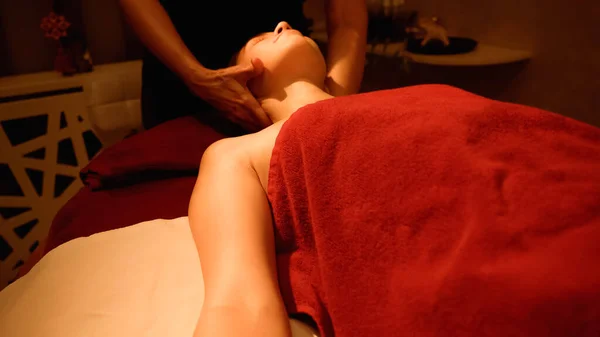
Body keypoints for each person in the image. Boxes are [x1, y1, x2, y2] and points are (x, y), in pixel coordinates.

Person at [118, 0, 367, 134]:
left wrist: (332, 113)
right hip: (180, 95)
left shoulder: (372, 116)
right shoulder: (232, 159)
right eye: (260, 40)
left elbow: (347, 17)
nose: (283, 24)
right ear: (250, 91)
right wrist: (193, 74)